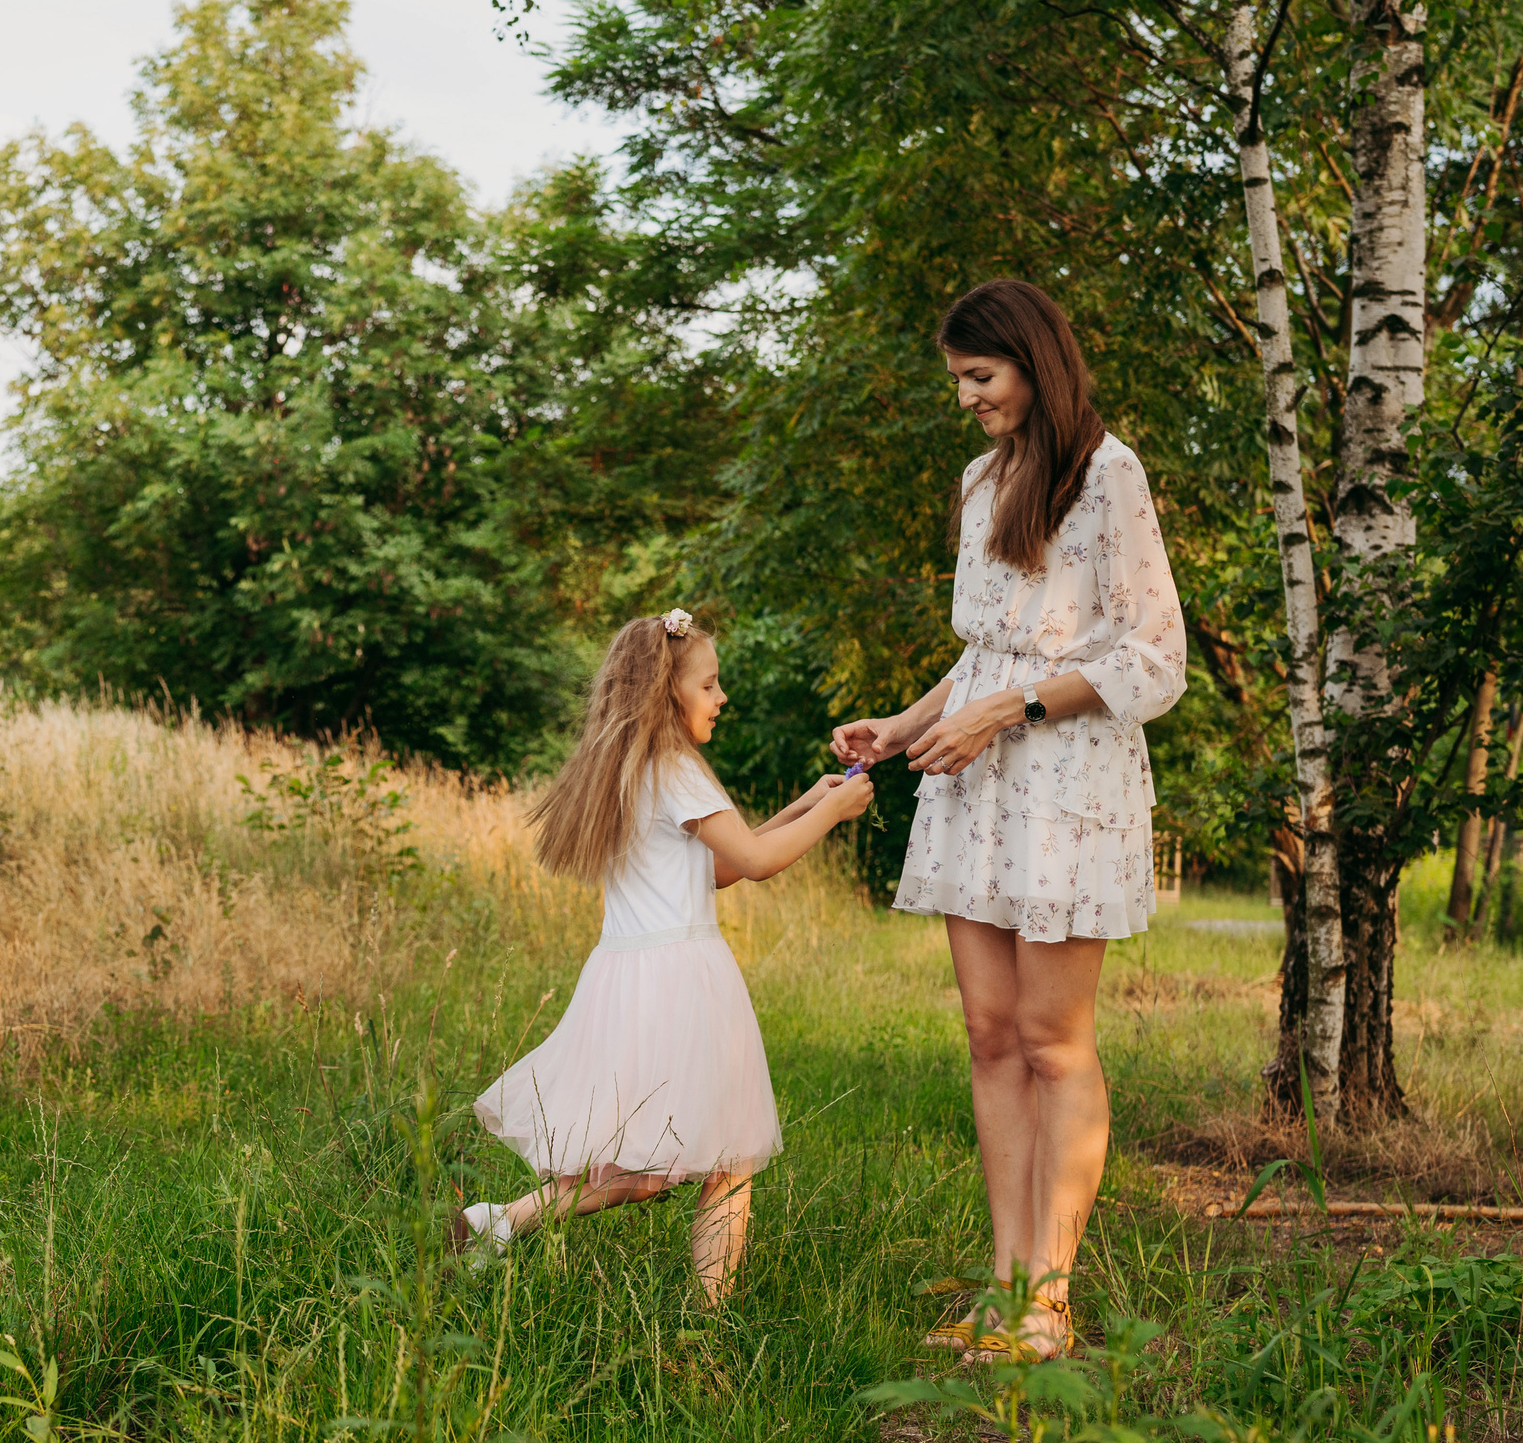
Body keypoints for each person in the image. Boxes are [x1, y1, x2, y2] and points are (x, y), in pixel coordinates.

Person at [830, 278, 1186, 1363]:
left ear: (1034, 363)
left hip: (1064, 776)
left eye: (978, 378)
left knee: (1050, 1039)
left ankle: (1049, 1300)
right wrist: (905, 722)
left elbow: (1148, 658)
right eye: (959, 382)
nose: (966, 400)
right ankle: (998, 1286)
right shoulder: (984, 477)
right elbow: (991, 643)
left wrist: (1011, 708)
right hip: (975, 779)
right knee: (989, 1037)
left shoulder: (1107, 475)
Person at [454, 609, 875, 1304]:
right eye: (709, 685)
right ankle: (709, 1322)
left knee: (652, 1162)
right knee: (725, 1159)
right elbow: (759, 863)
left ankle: (496, 1223)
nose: (721, 697)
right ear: (666, 692)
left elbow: (715, 870)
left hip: (629, 980)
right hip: (682, 980)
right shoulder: (678, 768)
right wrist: (833, 813)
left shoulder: (630, 766)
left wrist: (807, 801)